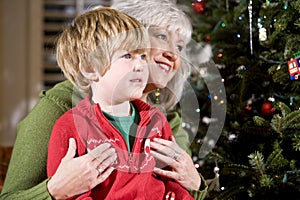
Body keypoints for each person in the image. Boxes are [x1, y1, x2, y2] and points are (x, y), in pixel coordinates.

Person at [0, 0, 208, 199]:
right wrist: (54, 190)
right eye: (162, 36)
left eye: (180, 47)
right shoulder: (61, 110)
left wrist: (195, 185)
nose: (173, 54)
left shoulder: (166, 121)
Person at [47, 7, 195, 200]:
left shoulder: (157, 121)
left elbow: (174, 183)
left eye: (142, 56)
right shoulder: (70, 126)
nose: (140, 65)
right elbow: (71, 194)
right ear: (90, 68)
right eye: (127, 56)